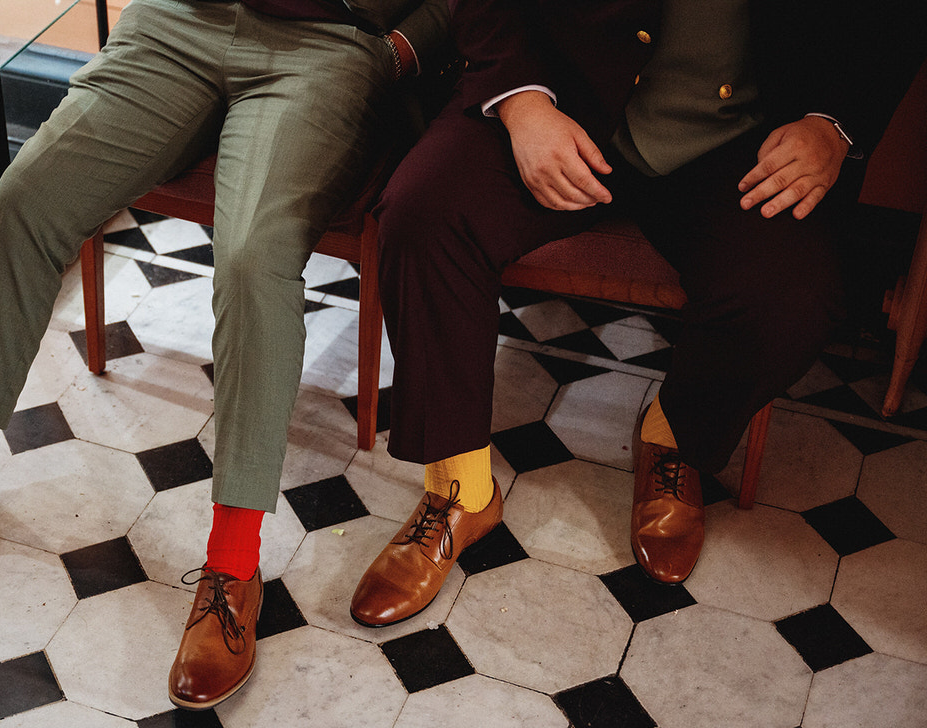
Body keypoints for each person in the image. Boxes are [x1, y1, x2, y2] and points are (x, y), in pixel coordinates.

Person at [0, 0, 449, 710]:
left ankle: (233, 568)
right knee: (29, 193)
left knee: (251, 257)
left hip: (328, 43)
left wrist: (401, 49)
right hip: (183, 20)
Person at [349, 0, 926, 626]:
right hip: (558, 97)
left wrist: (833, 125)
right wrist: (523, 103)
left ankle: (672, 437)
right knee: (423, 216)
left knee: (794, 295)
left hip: (741, 137)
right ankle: (459, 491)